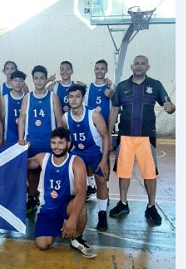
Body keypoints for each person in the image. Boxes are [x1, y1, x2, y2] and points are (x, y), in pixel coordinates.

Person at [107, 55, 176, 224]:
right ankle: (123, 203)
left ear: (148, 67)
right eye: (136, 63)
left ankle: (151, 206)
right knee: (123, 172)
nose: (139, 66)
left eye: (142, 63)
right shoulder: (122, 86)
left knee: (149, 174)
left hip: (147, 137)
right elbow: (114, 111)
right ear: (131, 67)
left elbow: (169, 105)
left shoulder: (156, 85)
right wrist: (108, 135)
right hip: (125, 137)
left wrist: (171, 108)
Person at [27, 127, 96, 258]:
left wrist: (73, 219)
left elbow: (82, 191)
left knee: (80, 208)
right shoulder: (43, 158)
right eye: (53, 143)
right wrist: (19, 150)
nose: (56, 147)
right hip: (50, 207)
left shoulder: (76, 161)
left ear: (68, 144)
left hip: (67, 204)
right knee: (42, 244)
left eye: (60, 143)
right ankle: (60, 225)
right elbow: (25, 164)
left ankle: (76, 238)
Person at [63, 84, 110, 231]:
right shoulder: (65, 118)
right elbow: (64, 140)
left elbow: (106, 137)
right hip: (77, 153)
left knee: (101, 181)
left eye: (77, 96)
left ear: (83, 98)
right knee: (74, 185)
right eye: (71, 96)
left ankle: (102, 214)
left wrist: (104, 160)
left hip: (95, 152)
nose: (74, 99)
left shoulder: (94, 115)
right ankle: (72, 212)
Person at [18, 65, 65, 213]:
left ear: (46, 79)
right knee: (33, 172)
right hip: (31, 142)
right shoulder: (27, 97)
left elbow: (59, 120)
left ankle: (54, 201)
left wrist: (60, 142)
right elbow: (22, 119)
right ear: (33, 79)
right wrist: (20, 138)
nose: (39, 81)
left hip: (49, 143)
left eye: (42, 78)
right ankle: (32, 197)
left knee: (53, 172)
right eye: (36, 78)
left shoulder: (52, 97)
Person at [84, 59, 115, 199]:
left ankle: (104, 188)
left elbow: (116, 107)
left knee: (105, 159)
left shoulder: (111, 87)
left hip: (104, 131)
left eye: (102, 68)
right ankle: (91, 185)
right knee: (89, 157)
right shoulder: (89, 88)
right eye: (97, 68)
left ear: (106, 70)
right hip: (91, 130)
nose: (99, 71)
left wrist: (112, 92)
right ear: (94, 70)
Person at [0, 70, 26, 146]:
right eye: (15, 80)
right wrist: (1, 137)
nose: (18, 83)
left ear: (24, 83)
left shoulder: (28, 97)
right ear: (11, 82)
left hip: (25, 137)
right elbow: (2, 119)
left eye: (21, 81)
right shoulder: (5, 99)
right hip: (9, 136)